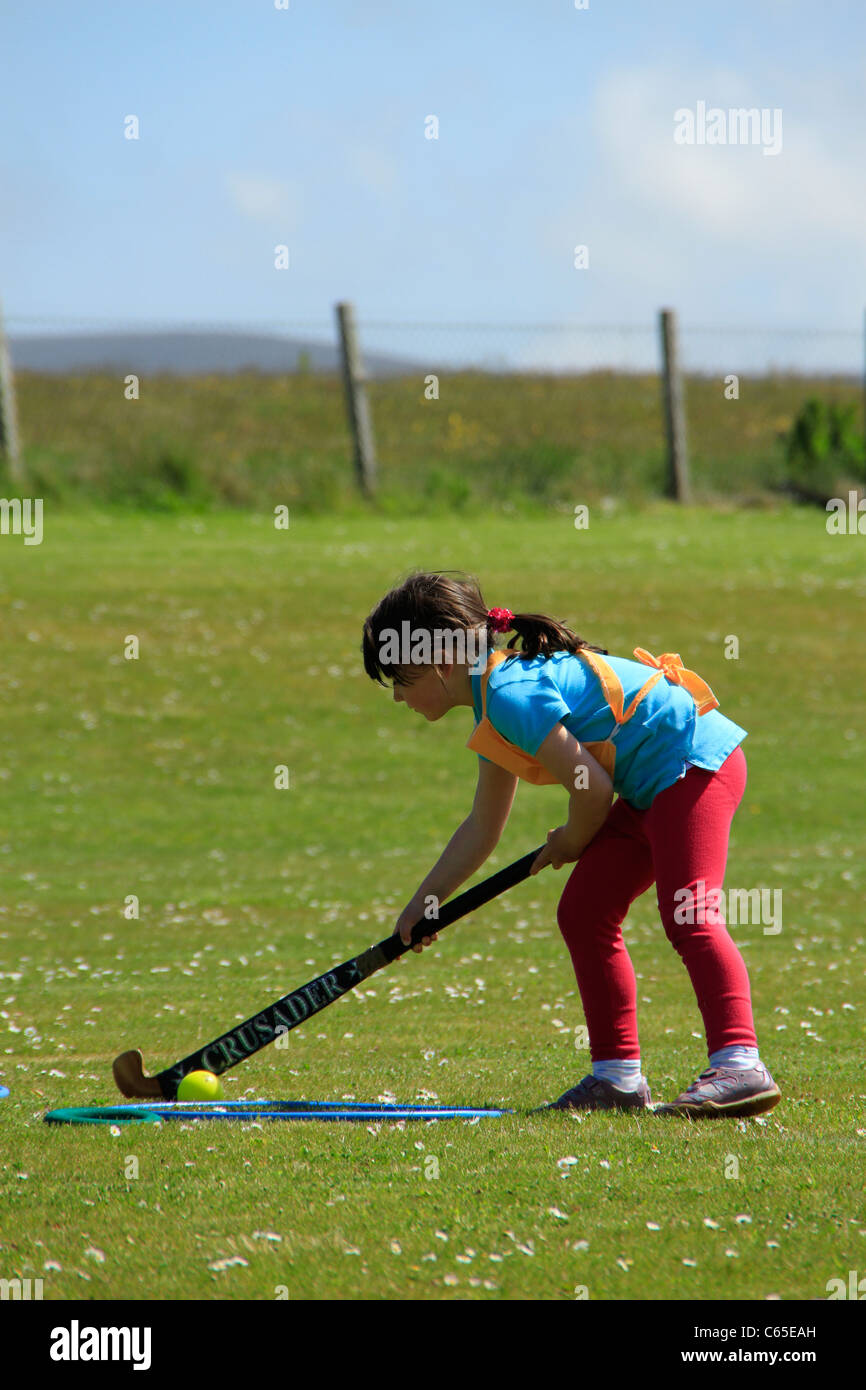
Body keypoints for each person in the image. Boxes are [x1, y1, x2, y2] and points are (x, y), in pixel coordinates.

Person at [361, 570, 780, 1119]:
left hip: (693, 766)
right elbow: (483, 826)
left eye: (398, 679)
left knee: (689, 914)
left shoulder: (510, 693)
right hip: (652, 787)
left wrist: (573, 839)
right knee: (584, 911)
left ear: (439, 661)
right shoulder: (496, 704)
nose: (397, 696)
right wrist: (427, 901)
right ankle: (617, 1079)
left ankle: (740, 1063)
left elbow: (591, 786)